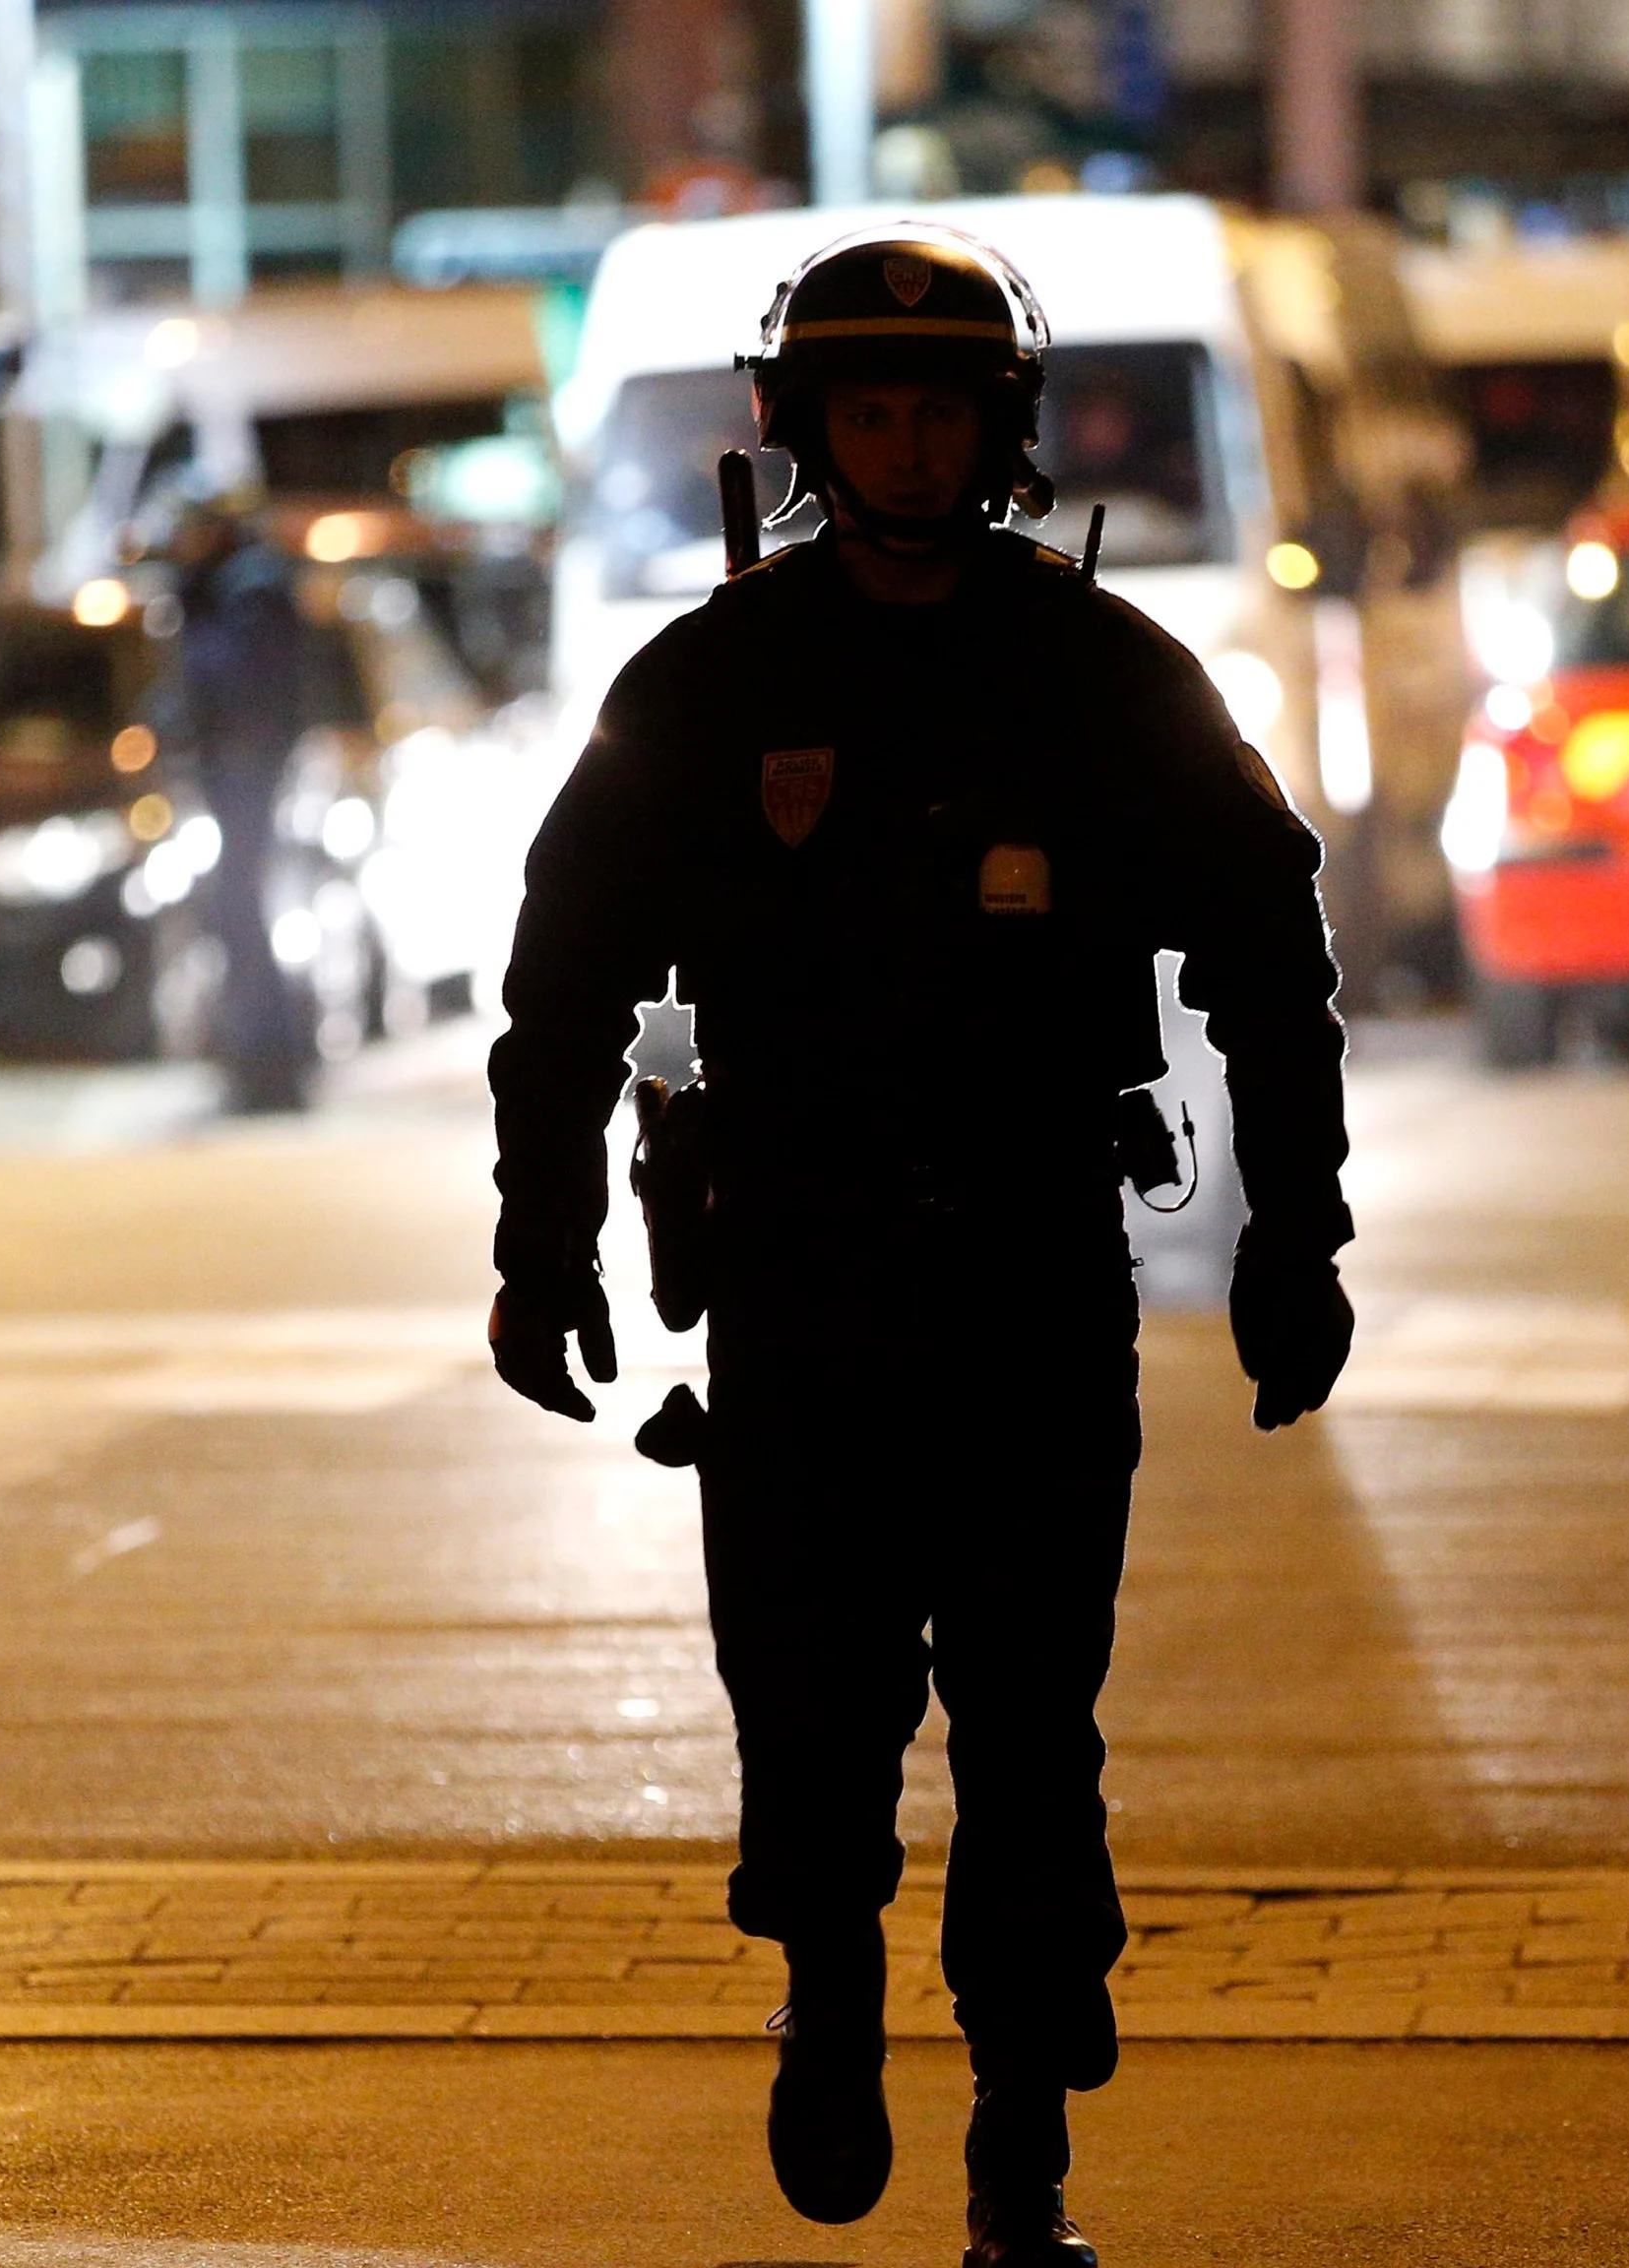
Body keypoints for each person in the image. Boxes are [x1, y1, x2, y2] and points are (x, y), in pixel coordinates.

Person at [481, 224, 1354, 2268]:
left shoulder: (1101, 671)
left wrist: (1292, 1240)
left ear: (998, 430)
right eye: (862, 406)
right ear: (799, 428)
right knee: (808, 1716)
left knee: (1034, 1739)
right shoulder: (710, 682)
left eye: (934, 407)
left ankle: (1020, 2165)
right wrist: (543, 1249)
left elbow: (1266, 954)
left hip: (1041, 1281)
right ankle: (829, 1981)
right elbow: (563, 980)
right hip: (792, 1288)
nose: (898, 443)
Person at [161, 489, 330, 1114]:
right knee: (236, 911)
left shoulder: (245, 591)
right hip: (239, 767)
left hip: (247, 768)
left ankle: (268, 1063)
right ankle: (262, 1060)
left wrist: (191, 601)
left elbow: (224, 679)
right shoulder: (239, 588)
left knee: (241, 909)